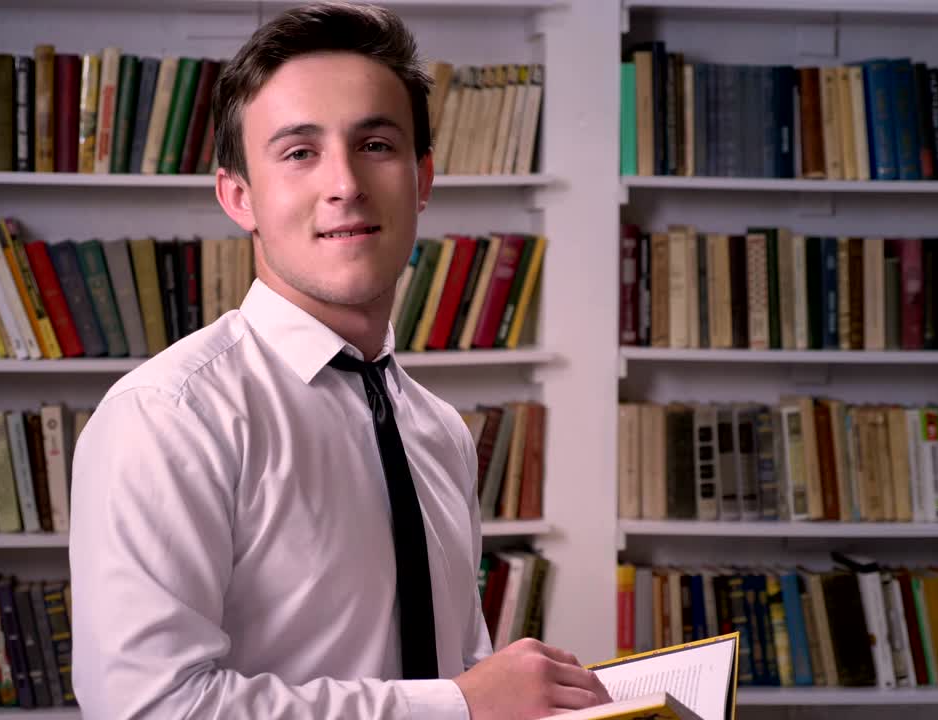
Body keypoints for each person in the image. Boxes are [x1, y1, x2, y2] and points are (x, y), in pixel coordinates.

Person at [68, 2, 611, 718]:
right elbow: (149, 707)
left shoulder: (440, 430)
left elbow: (459, 677)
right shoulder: (170, 416)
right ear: (239, 196)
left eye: (376, 145)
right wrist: (459, 706)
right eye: (299, 152)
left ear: (422, 181)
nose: (345, 184)